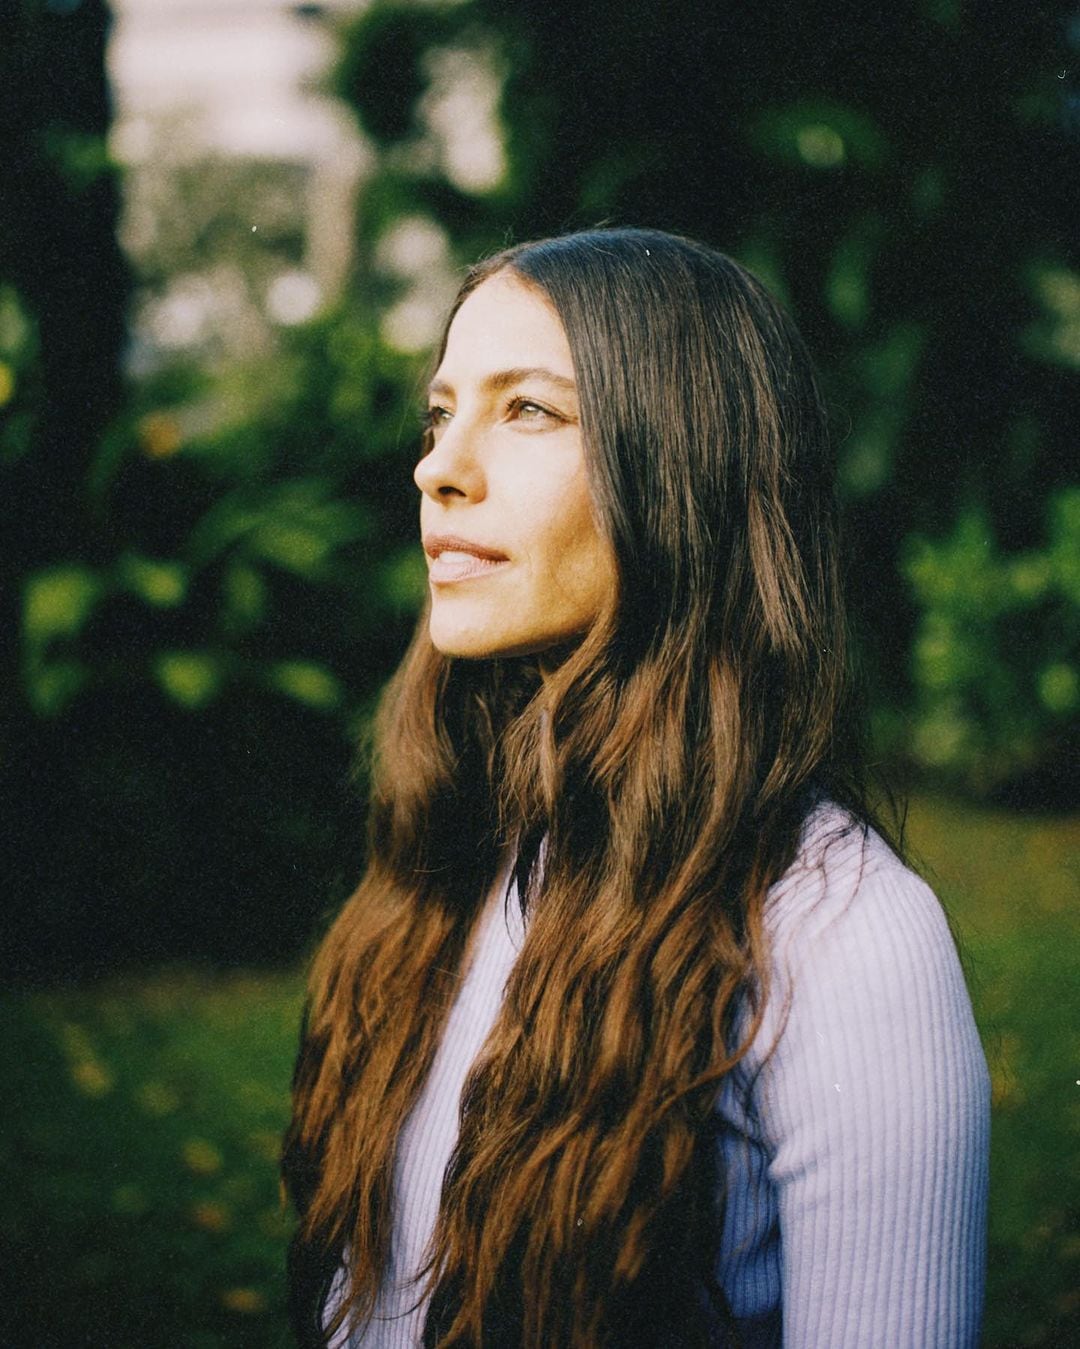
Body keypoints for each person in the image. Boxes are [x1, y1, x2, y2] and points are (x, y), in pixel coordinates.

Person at [282, 227, 990, 1348]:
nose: (438, 465)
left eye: (527, 410)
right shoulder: (460, 852)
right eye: (441, 411)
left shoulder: (841, 931)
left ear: (684, 471)